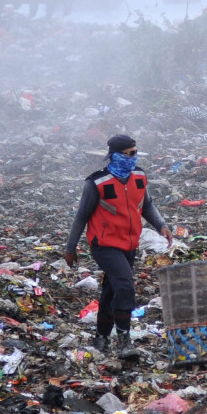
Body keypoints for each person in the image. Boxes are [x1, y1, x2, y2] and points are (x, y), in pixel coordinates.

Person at [64, 134, 172, 358]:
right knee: (125, 286)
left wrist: (161, 225)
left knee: (110, 291)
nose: (134, 157)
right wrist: (70, 248)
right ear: (115, 155)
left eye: (135, 153)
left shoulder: (139, 177)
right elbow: (81, 216)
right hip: (104, 245)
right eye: (129, 153)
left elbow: (147, 205)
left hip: (129, 244)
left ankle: (101, 338)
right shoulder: (97, 182)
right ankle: (124, 341)